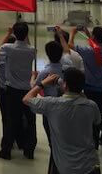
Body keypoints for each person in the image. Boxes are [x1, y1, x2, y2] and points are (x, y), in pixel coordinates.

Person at [23, 67, 101, 174]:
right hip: (89, 166)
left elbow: (26, 99)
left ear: (65, 85)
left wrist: (42, 83)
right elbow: (97, 121)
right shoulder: (92, 106)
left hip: (64, 167)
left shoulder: (52, 104)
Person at [0, 22, 36, 160]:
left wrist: (9, 33)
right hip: (27, 89)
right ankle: (29, 150)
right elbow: (29, 45)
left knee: (11, 120)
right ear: (26, 34)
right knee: (30, 121)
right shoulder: (32, 50)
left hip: (12, 90)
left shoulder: (8, 48)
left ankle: (6, 150)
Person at [66, 26, 102, 148]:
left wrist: (72, 33)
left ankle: (93, 142)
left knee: (91, 115)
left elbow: (70, 45)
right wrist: (88, 34)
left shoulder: (86, 51)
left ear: (94, 37)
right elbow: (96, 46)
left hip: (90, 88)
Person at [33, 41, 65, 173]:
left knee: (53, 144)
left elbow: (36, 89)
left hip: (50, 112)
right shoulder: (66, 70)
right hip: (64, 110)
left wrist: (33, 78)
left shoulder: (45, 73)